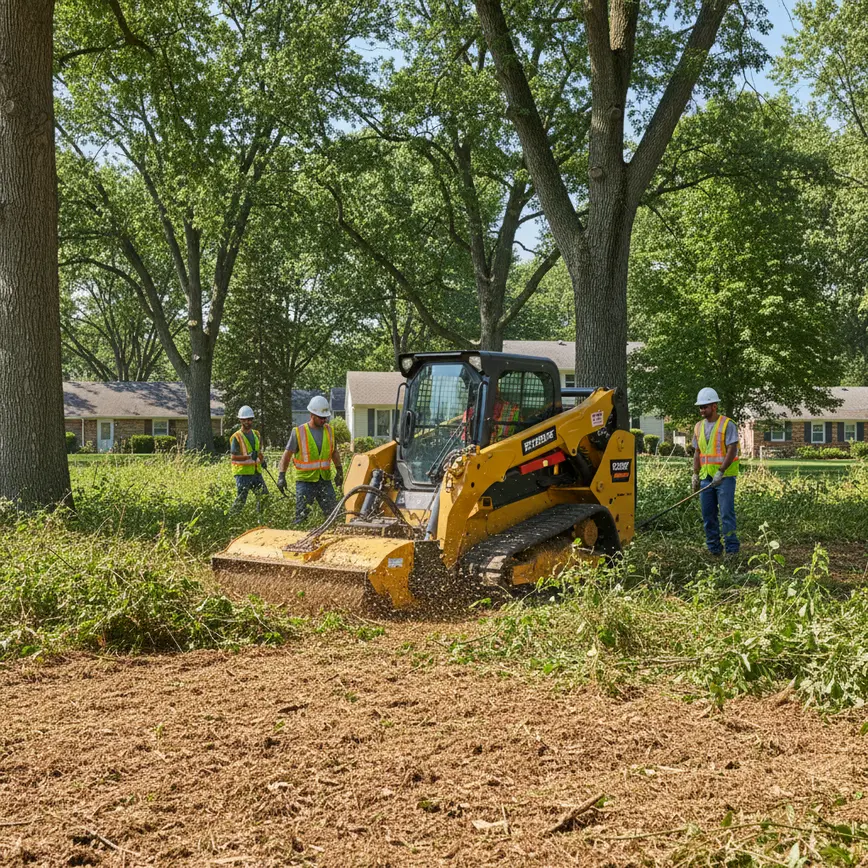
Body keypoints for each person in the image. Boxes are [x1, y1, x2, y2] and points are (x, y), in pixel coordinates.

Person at [277, 395, 344, 525]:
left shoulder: (330, 431)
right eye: (321, 417)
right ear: (312, 414)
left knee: (333, 515)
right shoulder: (298, 432)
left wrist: (339, 470)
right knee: (301, 517)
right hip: (305, 482)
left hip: (324, 480)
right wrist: (281, 476)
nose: (324, 420)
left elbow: (334, 452)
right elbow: (287, 455)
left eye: (325, 417)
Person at [691, 387, 740, 556]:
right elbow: (697, 452)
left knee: (726, 515)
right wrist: (695, 474)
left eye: (705, 406)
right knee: (708, 516)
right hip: (706, 478)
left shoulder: (728, 424)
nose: (702, 410)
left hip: (725, 478)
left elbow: (732, 449)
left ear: (714, 406)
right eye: (700, 407)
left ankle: (732, 551)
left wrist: (721, 471)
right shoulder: (698, 427)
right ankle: (714, 550)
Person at [229, 405, 268, 514]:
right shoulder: (236, 437)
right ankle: (232, 517)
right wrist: (249, 456)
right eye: (245, 419)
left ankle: (260, 518)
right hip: (242, 474)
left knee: (264, 495)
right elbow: (233, 457)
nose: (248, 422)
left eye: (250, 419)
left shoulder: (256, 434)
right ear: (240, 420)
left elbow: (258, 451)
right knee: (241, 499)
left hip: (256, 472)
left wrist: (263, 461)